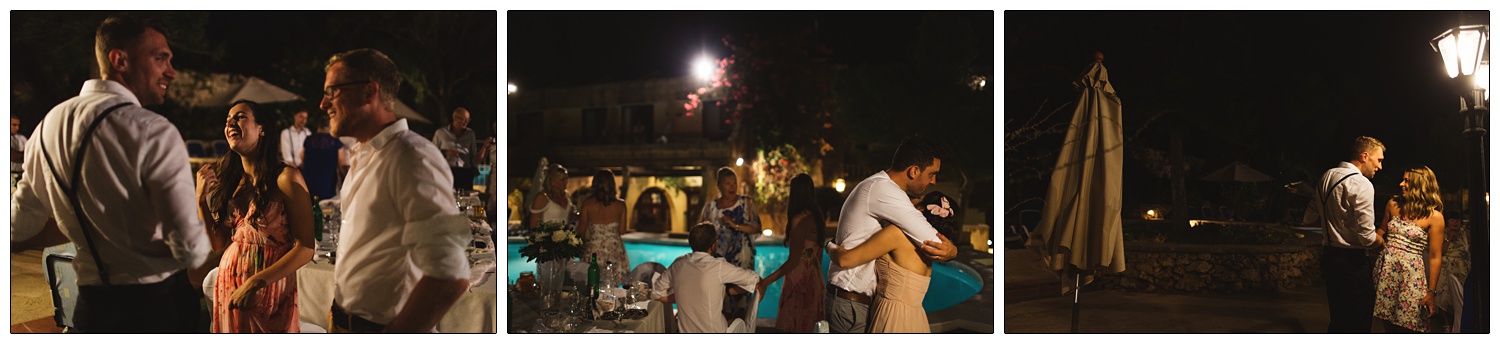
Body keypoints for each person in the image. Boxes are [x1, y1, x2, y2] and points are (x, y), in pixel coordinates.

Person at [10, 13, 211, 333]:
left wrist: (88, 226)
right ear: (119, 59)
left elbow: (17, 230)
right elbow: (190, 248)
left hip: (90, 311)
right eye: (160, 58)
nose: (171, 72)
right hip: (155, 309)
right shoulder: (153, 131)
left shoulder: (47, 126)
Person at [319, 48, 470, 333]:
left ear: (369, 92)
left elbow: (450, 275)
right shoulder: (363, 154)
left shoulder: (411, 156)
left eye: (332, 91)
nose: (322, 103)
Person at [196, 100, 315, 333]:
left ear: (262, 129)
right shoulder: (232, 182)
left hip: (267, 290)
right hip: (230, 286)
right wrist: (201, 201)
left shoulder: (286, 178)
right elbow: (218, 243)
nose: (230, 122)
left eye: (239, 116)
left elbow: (306, 248)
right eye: (228, 118)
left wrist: (255, 283)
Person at [826, 135, 958, 333]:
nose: (934, 181)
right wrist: (952, 251)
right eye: (932, 173)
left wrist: (829, 245)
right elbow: (931, 239)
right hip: (850, 302)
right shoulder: (884, 190)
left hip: (857, 303)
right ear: (914, 171)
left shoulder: (882, 188)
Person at [829, 191, 959, 333]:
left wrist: (829, 246)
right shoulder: (932, 247)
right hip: (917, 319)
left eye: (917, 199)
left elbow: (845, 259)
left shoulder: (896, 234)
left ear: (920, 209)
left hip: (891, 316)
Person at [1303, 136, 1384, 333]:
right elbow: (1367, 237)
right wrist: (1380, 240)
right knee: (1357, 321)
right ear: (1364, 156)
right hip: (1352, 262)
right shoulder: (1361, 184)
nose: (1380, 166)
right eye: (1379, 160)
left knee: (1339, 319)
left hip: (1330, 258)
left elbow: (1308, 218)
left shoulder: (1325, 177)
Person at [1372, 166, 1445, 333]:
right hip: (1386, 274)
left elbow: (1435, 256)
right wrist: (1377, 242)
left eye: (1407, 181)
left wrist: (1431, 292)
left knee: (1411, 326)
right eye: (1403, 179)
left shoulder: (1434, 217)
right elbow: (1382, 230)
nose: (1401, 184)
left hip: (1410, 278)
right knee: (1388, 325)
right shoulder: (1393, 205)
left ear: (1421, 186)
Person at [654, 223, 761, 333]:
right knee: (740, 323)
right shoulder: (718, 267)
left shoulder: (678, 264)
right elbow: (754, 279)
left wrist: (684, 295)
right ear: (713, 245)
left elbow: (656, 292)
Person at [756, 173, 826, 333]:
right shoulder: (817, 217)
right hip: (815, 278)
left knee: (792, 328)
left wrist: (765, 282)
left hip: (799, 280)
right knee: (809, 327)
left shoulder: (799, 220)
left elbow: (793, 262)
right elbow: (819, 255)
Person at [697, 166, 761, 323]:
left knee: (741, 303)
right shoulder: (710, 206)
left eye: (734, 182)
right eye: (727, 183)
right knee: (720, 302)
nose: (732, 186)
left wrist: (734, 224)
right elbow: (701, 232)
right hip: (718, 261)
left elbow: (756, 228)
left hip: (741, 260)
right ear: (719, 186)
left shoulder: (746, 203)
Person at [578, 169, 628, 284]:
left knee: (592, 283)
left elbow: (581, 230)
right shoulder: (621, 205)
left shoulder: (587, 204)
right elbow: (622, 230)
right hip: (615, 249)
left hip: (594, 249)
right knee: (612, 286)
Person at [299, 116, 347, 200]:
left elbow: (302, 158)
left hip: (308, 183)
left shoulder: (308, 140)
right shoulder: (336, 142)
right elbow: (342, 164)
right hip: (328, 183)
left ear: (318, 126)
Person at [432, 107, 476, 191]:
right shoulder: (440, 133)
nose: (466, 122)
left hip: (464, 172)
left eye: (468, 120)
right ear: (455, 118)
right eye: (463, 119)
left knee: (465, 198)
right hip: (446, 170)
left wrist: (472, 171)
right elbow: (433, 152)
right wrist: (446, 153)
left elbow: (473, 154)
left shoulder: (470, 134)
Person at [529, 163, 573, 228]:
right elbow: (534, 226)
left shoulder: (566, 195)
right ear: (553, 182)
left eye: (567, 179)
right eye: (562, 180)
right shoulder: (542, 198)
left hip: (566, 236)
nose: (566, 182)